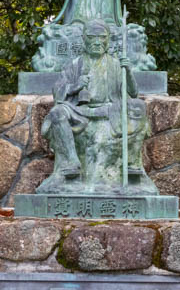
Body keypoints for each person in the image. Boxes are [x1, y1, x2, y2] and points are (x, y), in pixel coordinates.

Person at [38, 19, 155, 194]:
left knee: (138, 106)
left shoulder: (115, 64)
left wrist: (128, 71)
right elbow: (58, 91)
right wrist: (75, 86)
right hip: (80, 112)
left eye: (102, 37)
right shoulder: (75, 64)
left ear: (107, 40)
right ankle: (71, 162)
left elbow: (132, 92)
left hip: (109, 109)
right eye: (92, 37)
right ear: (84, 39)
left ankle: (132, 163)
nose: (97, 42)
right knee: (57, 112)